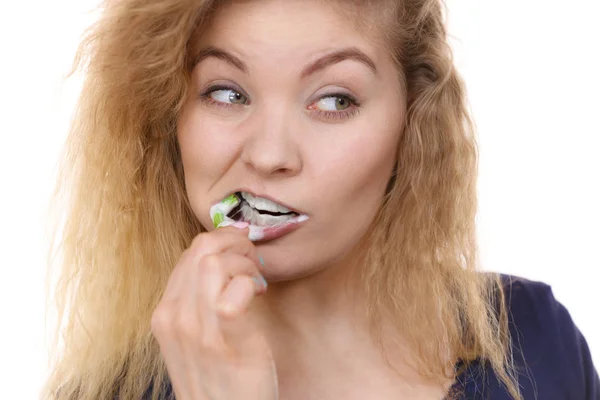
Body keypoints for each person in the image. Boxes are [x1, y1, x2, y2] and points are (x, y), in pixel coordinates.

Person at [43, 0, 599, 399]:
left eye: (334, 100)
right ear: (168, 120)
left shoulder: (534, 343)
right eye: (227, 92)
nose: (269, 155)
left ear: (412, 126)